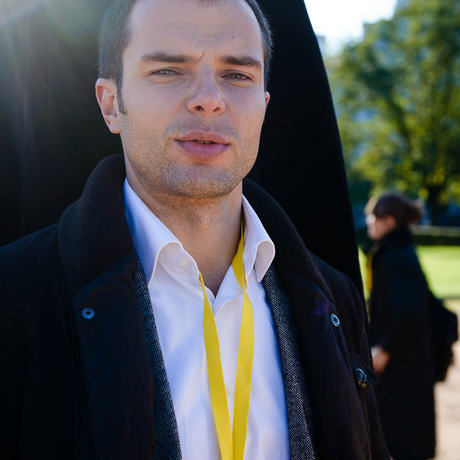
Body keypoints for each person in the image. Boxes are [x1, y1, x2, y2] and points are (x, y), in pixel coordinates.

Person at [0, 0, 388, 459]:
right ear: (111, 105)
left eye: (237, 74)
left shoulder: (333, 298)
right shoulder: (15, 297)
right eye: (168, 71)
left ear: (263, 107)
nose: (209, 98)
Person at [365, 192, 436, 460]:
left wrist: (384, 350)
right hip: (407, 360)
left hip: (401, 363)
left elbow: (409, 312)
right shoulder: (399, 250)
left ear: (390, 221)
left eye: (374, 216)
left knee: (400, 438)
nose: (369, 221)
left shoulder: (393, 255)